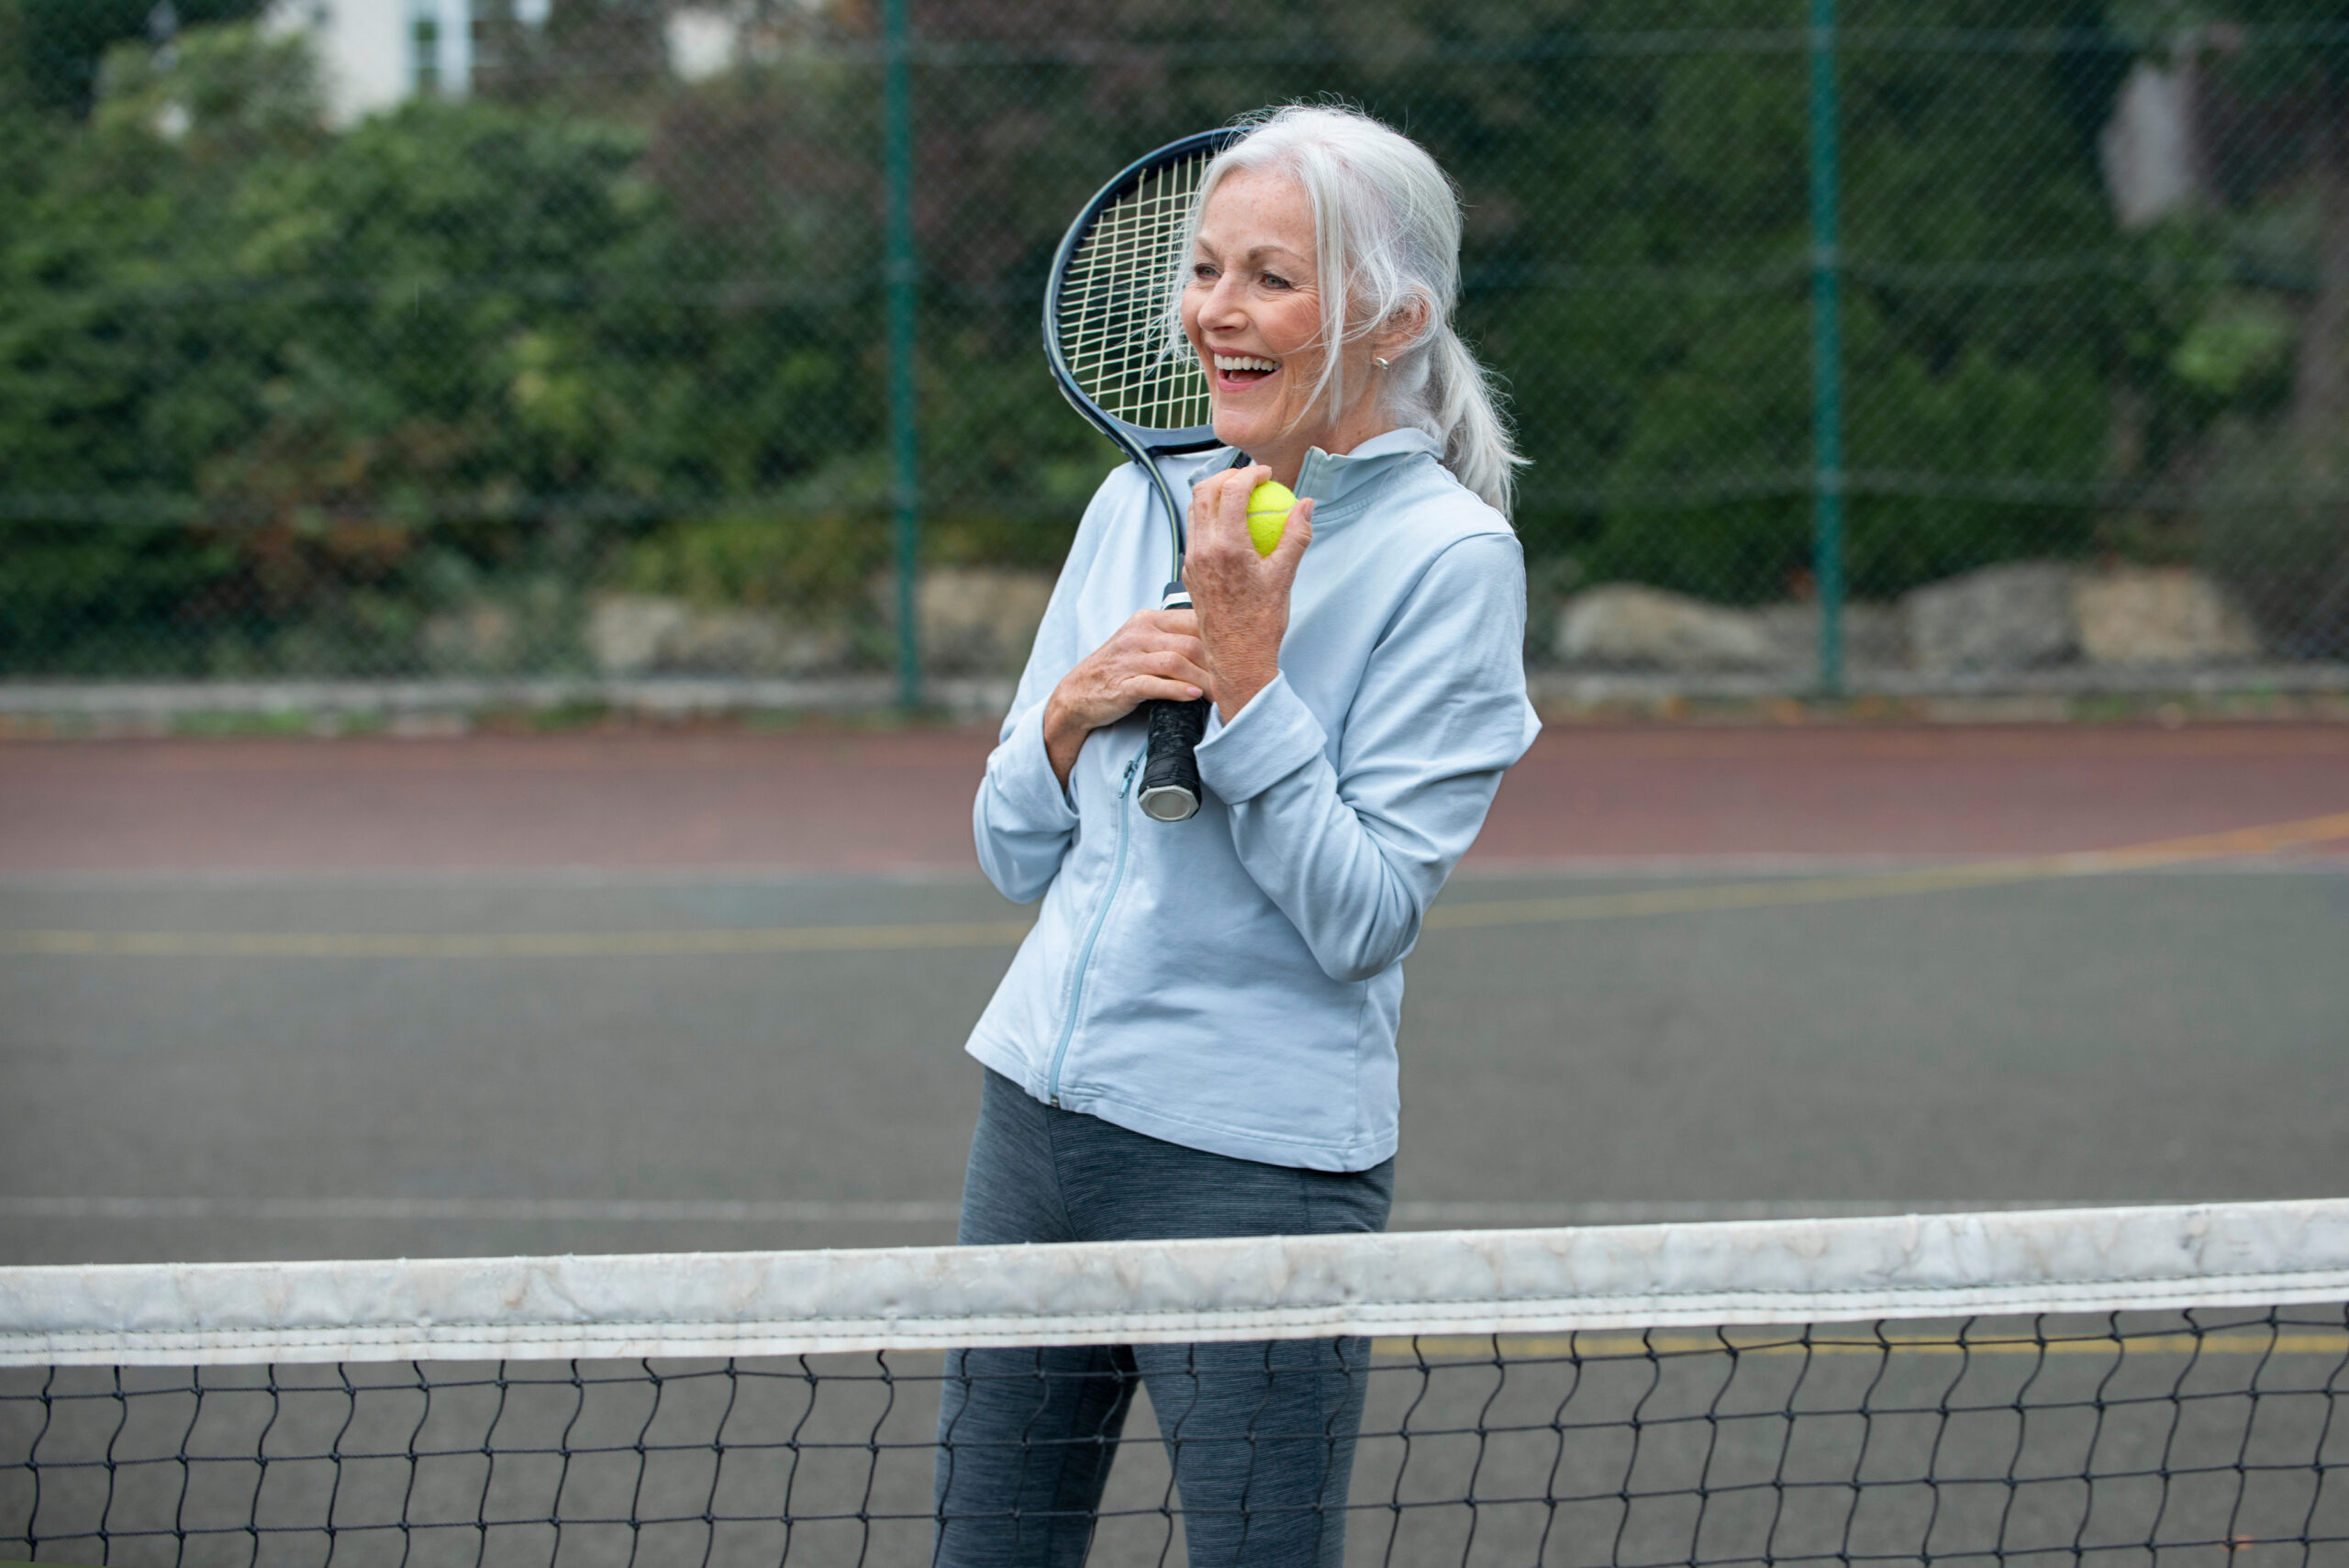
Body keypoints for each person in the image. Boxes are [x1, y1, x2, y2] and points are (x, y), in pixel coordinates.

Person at [933, 102, 1540, 1568]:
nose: (1217, 312)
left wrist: (1252, 677)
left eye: (1271, 275)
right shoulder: (1128, 507)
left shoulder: (1456, 564)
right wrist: (1072, 709)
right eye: (1205, 271)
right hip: (1034, 1128)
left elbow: (1362, 917)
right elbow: (1013, 852)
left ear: (1395, 316)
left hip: (1254, 1162)